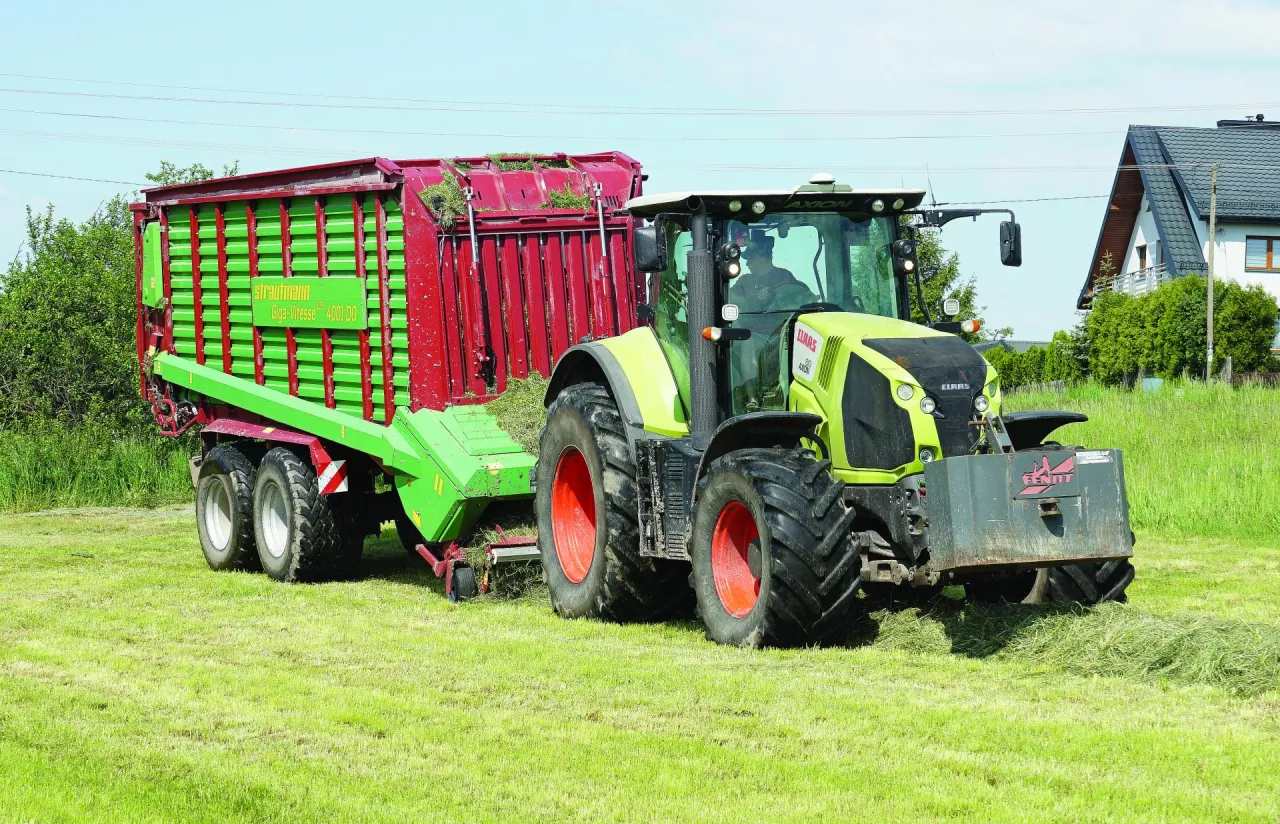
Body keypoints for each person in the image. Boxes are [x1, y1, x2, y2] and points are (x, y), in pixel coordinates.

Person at [729, 231, 816, 313]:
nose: (747, 264)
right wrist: (754, 298)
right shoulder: (745, 280)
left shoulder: (784, 276)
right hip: (748, 327)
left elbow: (795, 298)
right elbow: (729, 298)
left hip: (780, 325)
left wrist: (772, 295)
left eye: (750, 259)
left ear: (761, 258)